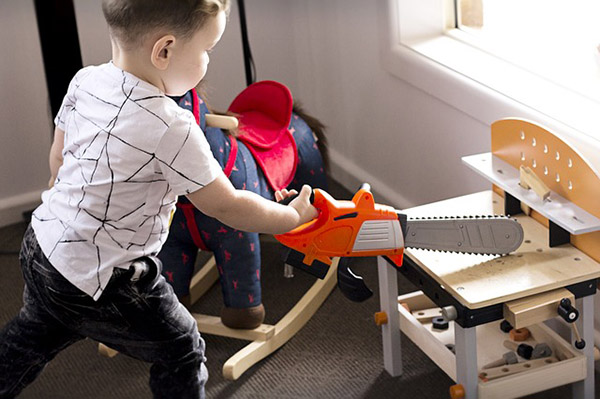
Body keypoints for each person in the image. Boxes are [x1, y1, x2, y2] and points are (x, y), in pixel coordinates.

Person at [0, 1, 316, 398]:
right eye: (207, 50)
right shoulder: (172, 126)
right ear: (164, 50)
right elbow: (227, 205)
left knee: (30, 338)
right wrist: (290, 218)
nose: (206, 62)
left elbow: (58, 159)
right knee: (182, 349)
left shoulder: (85, 80)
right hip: (106, 279)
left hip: (42, 247)